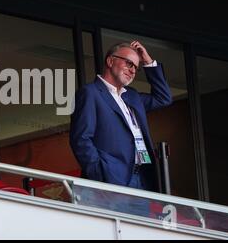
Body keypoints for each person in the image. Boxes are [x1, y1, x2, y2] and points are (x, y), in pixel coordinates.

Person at [70, 41, 172, 192]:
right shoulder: (90, 93)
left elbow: (163, 98)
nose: (132, 71)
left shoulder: (132, 96)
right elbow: (81, 138)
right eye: (129, 64)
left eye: (136, 68)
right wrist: (100, 174)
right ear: (110, 61)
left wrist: (148, 62)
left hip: (141, 180)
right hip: (111, 180)